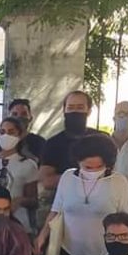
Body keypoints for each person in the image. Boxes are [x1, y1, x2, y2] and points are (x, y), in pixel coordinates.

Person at [37, 91, 107, 230]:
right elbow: (46, 180)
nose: (75, 111)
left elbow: (111, 175)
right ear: (64, 110)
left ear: (89, 111)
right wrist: (85, 176)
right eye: (71, 108)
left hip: (98, 211)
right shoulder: (53, 143)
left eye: (80, 107)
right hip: (63, 210)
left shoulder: (102, 140)